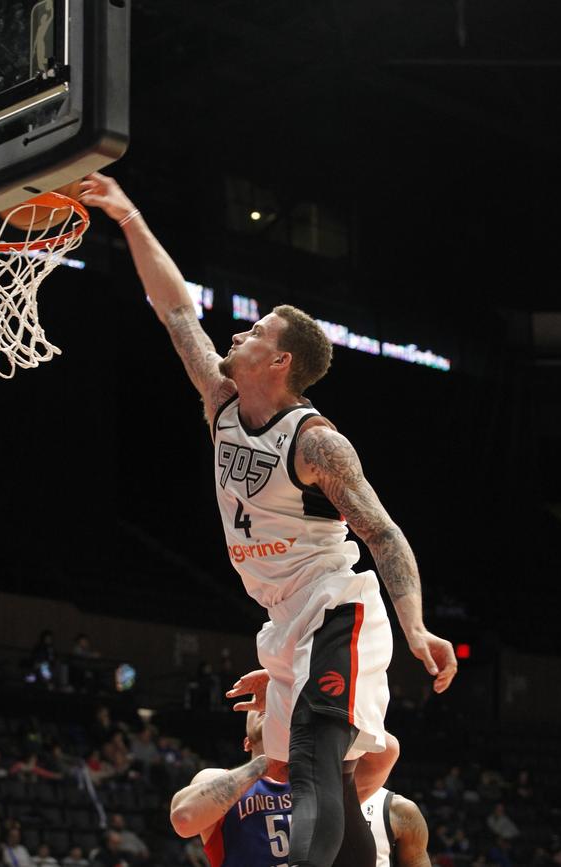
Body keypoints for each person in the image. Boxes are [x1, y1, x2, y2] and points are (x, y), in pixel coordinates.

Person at [81, 172, 458, 867]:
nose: (237, 330)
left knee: (317, 759)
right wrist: (129, 217)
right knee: (297, 772)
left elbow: (381, 532)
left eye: (255, 330)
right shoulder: (221, 400)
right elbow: (175, 314)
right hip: (282, 618)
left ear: (280, 360)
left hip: (333, 603)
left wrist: (414, 626)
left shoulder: (316, 442)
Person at [170, 708, 429, 867]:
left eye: (276, 697)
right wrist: (262, 765)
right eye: (260, 703)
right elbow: (184, 818)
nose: (269, 703)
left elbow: (387, 749)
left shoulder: (327, 781)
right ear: (247, 742)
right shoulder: (217, 778)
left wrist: (308, 702)